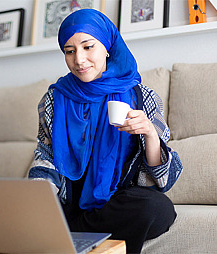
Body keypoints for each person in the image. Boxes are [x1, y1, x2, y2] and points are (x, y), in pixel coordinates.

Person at [28, 9, 183, 254]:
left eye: (88, 47)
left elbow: (162, 181)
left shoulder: (141, 97)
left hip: (115, 202)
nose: (79, 59)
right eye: (70, 51)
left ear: (107, 46)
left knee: (157, 208)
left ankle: (72, 236)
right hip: (68, 203)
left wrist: (149, 133)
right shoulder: (55, 99)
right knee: (18, 213)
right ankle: (76, 236)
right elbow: (46, 157)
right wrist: (37, 204)